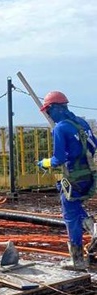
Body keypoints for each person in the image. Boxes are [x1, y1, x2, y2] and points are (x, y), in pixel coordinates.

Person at [38, 91, 97, 270]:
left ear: (56, 108)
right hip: (89, 176)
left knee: (70, 216)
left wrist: (44, 163)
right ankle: (94, 230)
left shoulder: (60, 128)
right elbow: (94, 146)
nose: (48, 115)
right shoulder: (82, 122)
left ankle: (77, 262)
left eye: (48, 111)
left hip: (73, 178)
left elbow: (59, 159)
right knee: (76, 209)